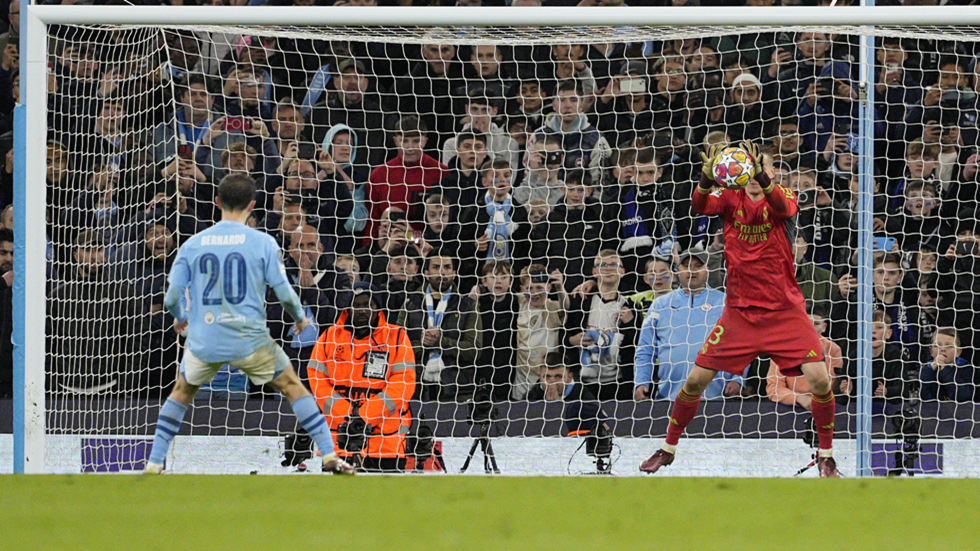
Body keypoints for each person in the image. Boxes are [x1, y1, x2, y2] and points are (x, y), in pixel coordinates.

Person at [640, 141, 839, 477]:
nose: (750, 176)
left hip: (784, 312)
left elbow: (782, 207)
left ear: (772, 172)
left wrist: (760, 173)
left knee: (820, 381)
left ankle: (826, 455)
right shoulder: (729, 199)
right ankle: (669, 447)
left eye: (760, 168)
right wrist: (705, 179)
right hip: (739, 315)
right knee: (693, 384)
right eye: (746, 169)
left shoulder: (785, 198)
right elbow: (699, 205)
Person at [144, 174, 355, 475]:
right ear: (253, 205)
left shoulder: (193, 244)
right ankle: (329, 456)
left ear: (217, 202)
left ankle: (154, 462)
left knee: (180, 394)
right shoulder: (263, 242)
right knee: (295, 388)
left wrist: (180, 319)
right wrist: (300, 318)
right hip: (250, 340)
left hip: (206, 338)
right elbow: (284, 291)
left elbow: (173, 297)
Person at [308, 282, 417, 472]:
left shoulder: (397, 336)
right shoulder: (329, 337)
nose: (362, 310)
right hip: (338, 437)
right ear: (348, 309)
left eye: (368, 304)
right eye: (356, 305)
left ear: (378, 308)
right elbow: (318, 382)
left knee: (386, 499)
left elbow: (403, 383)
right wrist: (347, 415)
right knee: (335, 499)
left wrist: (366, 416)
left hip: (386, 441)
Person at [634, 249, 744, 402]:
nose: (691, 271)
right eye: (686, 266)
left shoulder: (726, 303)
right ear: (677, 270)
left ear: (708, 269)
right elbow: (645, 350)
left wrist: (738, 378)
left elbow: (742, 345)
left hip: (717, 401)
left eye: (697, 266)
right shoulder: (660, 305)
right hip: (669, 399)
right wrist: (641, 382)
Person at [398, 252, 482, 401]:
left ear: (455, 273)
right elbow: (397, 347)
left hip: (456, 388)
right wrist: (423, 344)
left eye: (447, 267)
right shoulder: (410, 304)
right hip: (415, 386)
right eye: (436, 267)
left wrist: (440, 343)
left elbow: (474, 350)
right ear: (426, 273)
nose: (442, 272)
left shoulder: (468, 306)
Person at [767, 302, 845, 410]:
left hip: (823, 405)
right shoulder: (781, 349)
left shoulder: (833, 349)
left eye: (816, 324)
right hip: (789, 407)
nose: (811, 328)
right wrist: (800, 398)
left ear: (824, 327)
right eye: (806, 323)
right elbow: (774, 388)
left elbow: (832, 385)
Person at [514, 264, 567, 400]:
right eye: (529, 288)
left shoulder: (552, 307)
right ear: (522, 290)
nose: (534, 293)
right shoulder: (519, 303)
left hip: (548, 380)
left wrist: (560, 288)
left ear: (549, 288)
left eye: (539, 288)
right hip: (522, 380)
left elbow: (565, 306)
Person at [919, 327, 975, 403]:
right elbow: (922, 395)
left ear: (958, 352)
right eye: (937, 345)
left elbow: (965, 396)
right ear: (931, 351)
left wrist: (945, 369)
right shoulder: (926, 369)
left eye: (949, 346)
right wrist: (930, 371)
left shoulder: (966, 368)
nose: (942, 349)